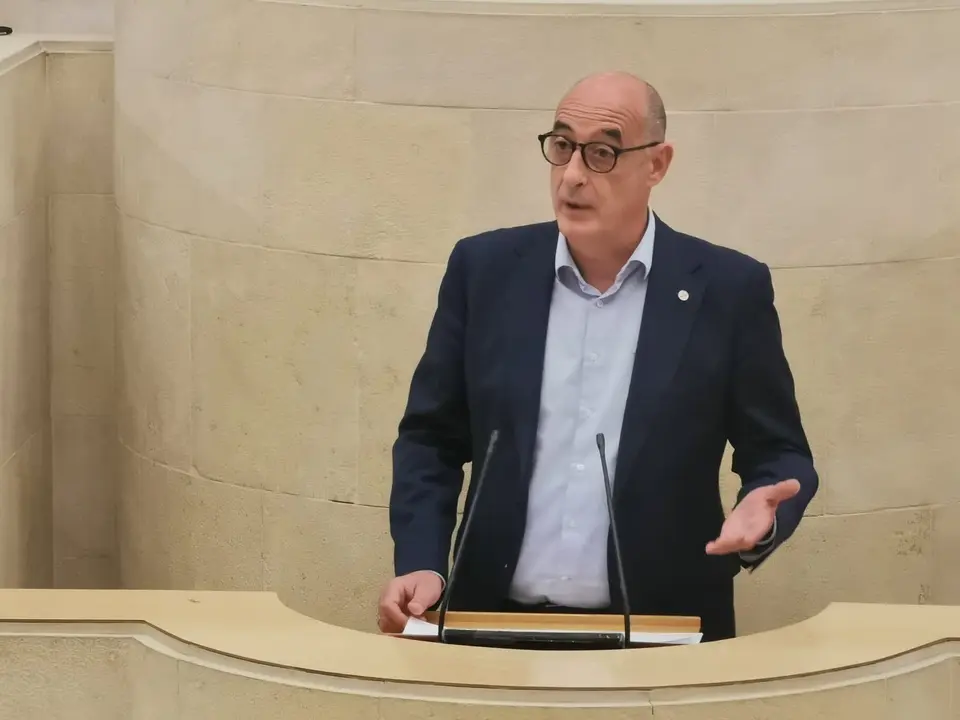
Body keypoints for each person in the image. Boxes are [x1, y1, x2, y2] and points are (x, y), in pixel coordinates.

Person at [378, 71, 818, 642]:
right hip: (490, 622)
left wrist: (762, 510)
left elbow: (779, 454)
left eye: (602, 154)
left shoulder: (728, 290)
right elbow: (430, 439)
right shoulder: (484, 271)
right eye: (562, 147)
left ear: (656, 164)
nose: (573, 175)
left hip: (662, 630)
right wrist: (422, 560)